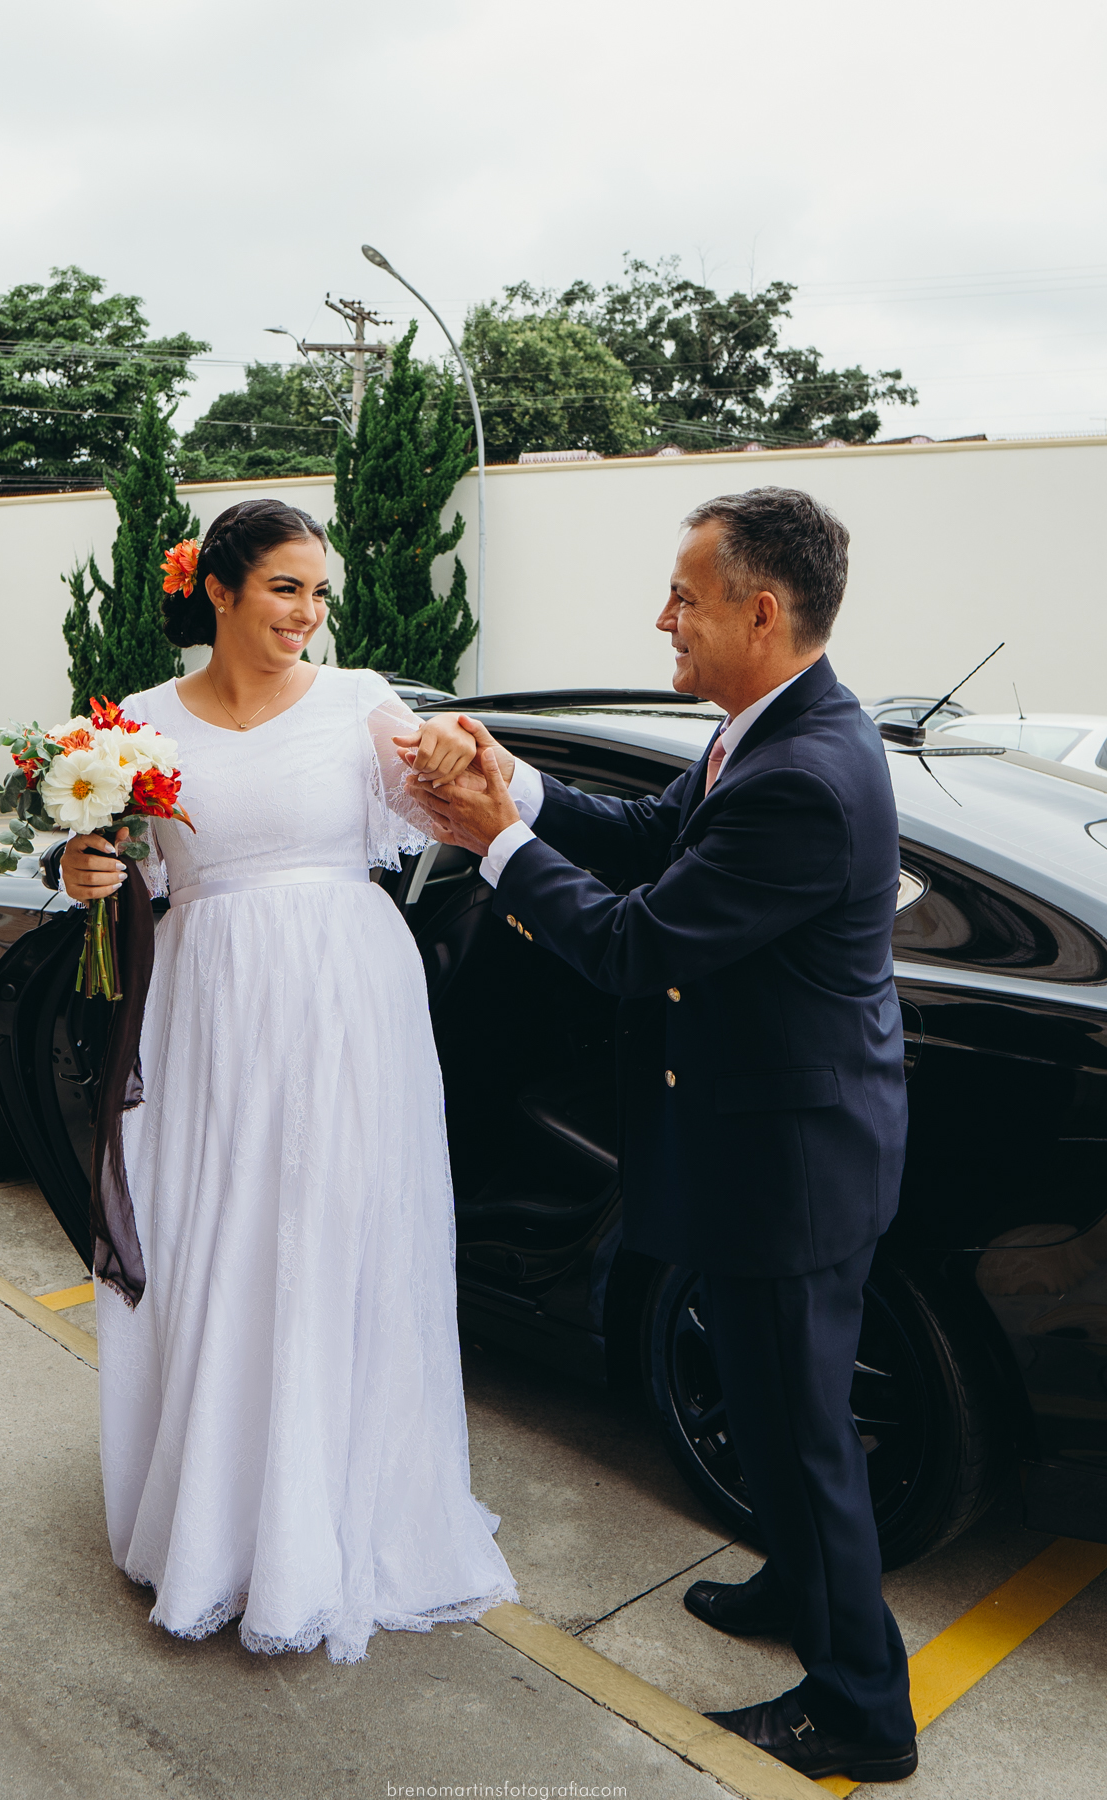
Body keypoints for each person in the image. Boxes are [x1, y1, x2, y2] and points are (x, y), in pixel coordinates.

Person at [408, 487, 918, 1783]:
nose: (663, 619)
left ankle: (863, 1709)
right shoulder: (762, 730)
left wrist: (493, 837)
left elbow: (639, 946)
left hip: (791, 1168)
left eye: (684, 597)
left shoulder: (803, 771)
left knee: (803, 1439)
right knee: (766, 1407)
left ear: (761, 608)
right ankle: (795, 1591)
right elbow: (646, 836)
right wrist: (513, 776)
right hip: (768, 1144)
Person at [61, 497, 514, 1661]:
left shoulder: (363, 700)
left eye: (320, 594)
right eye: (284, 591)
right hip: (208, 1005)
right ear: (217, 590)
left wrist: (472, 758)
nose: (308, 616)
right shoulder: (139, 728)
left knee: (332, 1242)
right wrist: (83, 867)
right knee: (221, 1241)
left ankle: (333, 1526)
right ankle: (220, 1523)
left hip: (348, 1001)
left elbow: (454, 802)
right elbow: (120, 877)